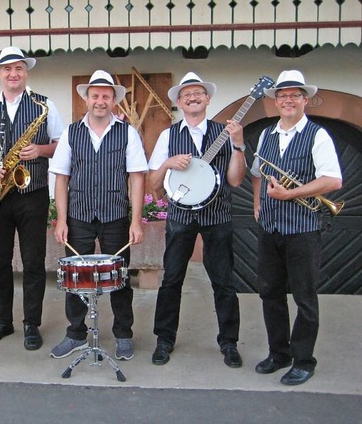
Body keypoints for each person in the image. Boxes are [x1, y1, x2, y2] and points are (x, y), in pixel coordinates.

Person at [0, 46, 64, 350]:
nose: (13, 74)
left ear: (26, 72)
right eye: (7, 69)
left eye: (18, 68)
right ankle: (2, 322)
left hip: (32, 195)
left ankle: (31, 324)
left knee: (34, 263)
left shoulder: (44, 105)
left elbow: (62, 145)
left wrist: (41, 150)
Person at [148, 72, 246, 368]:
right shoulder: (168, 135)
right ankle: (164, 339)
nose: (192, 97)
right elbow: (154, 185)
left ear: (208, 99)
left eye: (198, 93)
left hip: (218, 216)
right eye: (186, 93)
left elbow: (236, 180)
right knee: (171, 279)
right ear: (178, 101)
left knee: (224, 282)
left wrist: (239, 145)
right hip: (180, 216)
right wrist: (167, 163)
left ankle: (229, 343)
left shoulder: (225, 132)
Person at [48, 70, 148, 360]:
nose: (100, 101)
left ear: (114, 100)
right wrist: (61, 219)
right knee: (76, 279)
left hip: (115, 216)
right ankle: (76, 334)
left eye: (106, 96)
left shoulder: (127, 132)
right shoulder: (71, 132)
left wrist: (136, 221)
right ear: (87, 99)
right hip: (78, 216)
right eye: (95, 95)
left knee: (120, 278)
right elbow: (61, 178)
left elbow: (137, 178)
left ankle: (123, 334)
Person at [251, 70, 342, 386]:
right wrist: (257, 203)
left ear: (305, 99)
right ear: (276, 101)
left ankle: (304, 360)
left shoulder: (317, 135)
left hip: (303, 228)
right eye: (282, 95)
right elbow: (260, 173)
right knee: (269, 293)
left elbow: (332, 180)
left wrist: (290, 193)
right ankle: (279, 354)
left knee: (304, 297)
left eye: (294, 95)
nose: (288, 100)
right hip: (271, 226)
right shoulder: (266, 135)